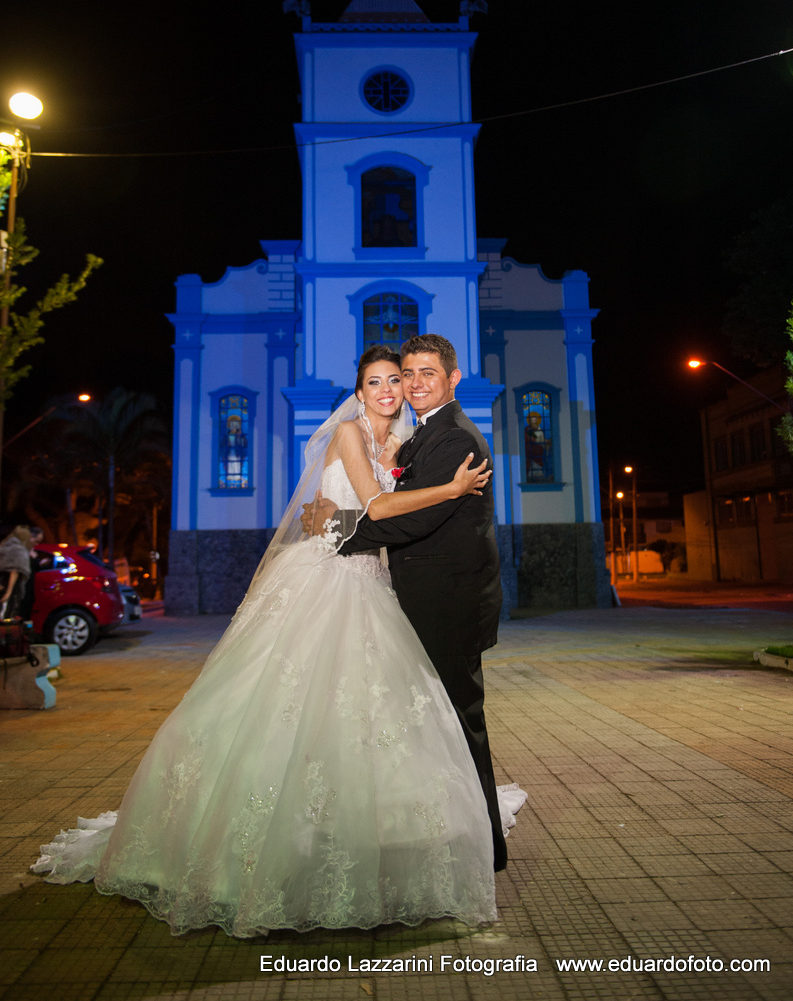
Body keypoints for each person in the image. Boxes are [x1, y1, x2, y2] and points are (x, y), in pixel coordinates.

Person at [32, 346, 500, 936]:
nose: (391, 389)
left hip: (376, 581)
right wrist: (446, 492)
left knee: (361, 714)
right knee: (288, 701)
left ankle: (354, 832)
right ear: (358, 393)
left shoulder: (405, 447)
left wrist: (334, 516)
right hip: (329, 580)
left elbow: (364, 514)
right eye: (379, 381)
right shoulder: (353, 436)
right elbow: (376, 507)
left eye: (399, 379)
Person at [304, 334, 509, 870]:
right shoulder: (415, 435)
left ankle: (486, 845)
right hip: (402, 593)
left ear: (453, 377)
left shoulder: (454, 439)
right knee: (416, 718)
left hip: (448, 602)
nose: (411, 384)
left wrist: (335, 533)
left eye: (422, 374)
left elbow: (411, 518)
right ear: (360, 390)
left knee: (459, 720)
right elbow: (389, 500)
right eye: (403, 374)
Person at [0, 525, 34, 620]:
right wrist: (9, 593)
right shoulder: (18, 549)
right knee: (6, 615)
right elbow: (14, 571)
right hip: (8, 586)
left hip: (2, 584)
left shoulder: (5, 546)